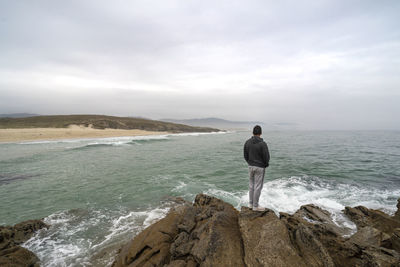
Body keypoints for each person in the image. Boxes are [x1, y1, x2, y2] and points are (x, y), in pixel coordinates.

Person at [243, 125, 270, 211]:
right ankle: (255, 206)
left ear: (253, 132)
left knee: (251, 185)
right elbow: (267, 157)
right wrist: (265, 165)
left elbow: (245, 155)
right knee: (258, 187)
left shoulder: (247, 142)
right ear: (260, 133)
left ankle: (250, 204)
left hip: (250, 166)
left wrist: (249, 162)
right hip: (260, 167)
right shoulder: (263, 144)